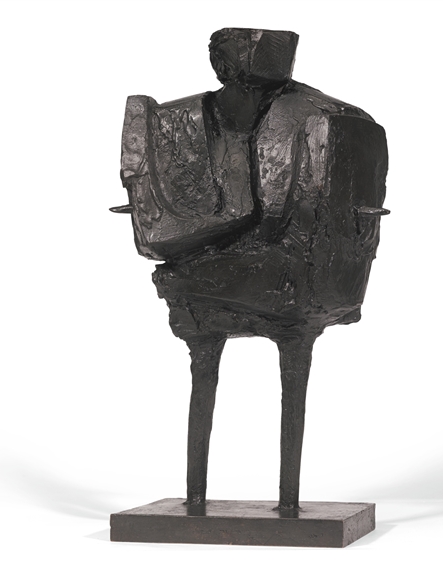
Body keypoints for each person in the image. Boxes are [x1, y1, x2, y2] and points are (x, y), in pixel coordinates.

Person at [113, 28, 389, 509]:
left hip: (289, 279)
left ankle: (281, 500)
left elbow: (305, 219)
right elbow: (164, 223)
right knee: (206, 366)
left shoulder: (322, 116)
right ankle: (199, 497)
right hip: (217, 273)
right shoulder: (177, 120)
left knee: (272, 365)